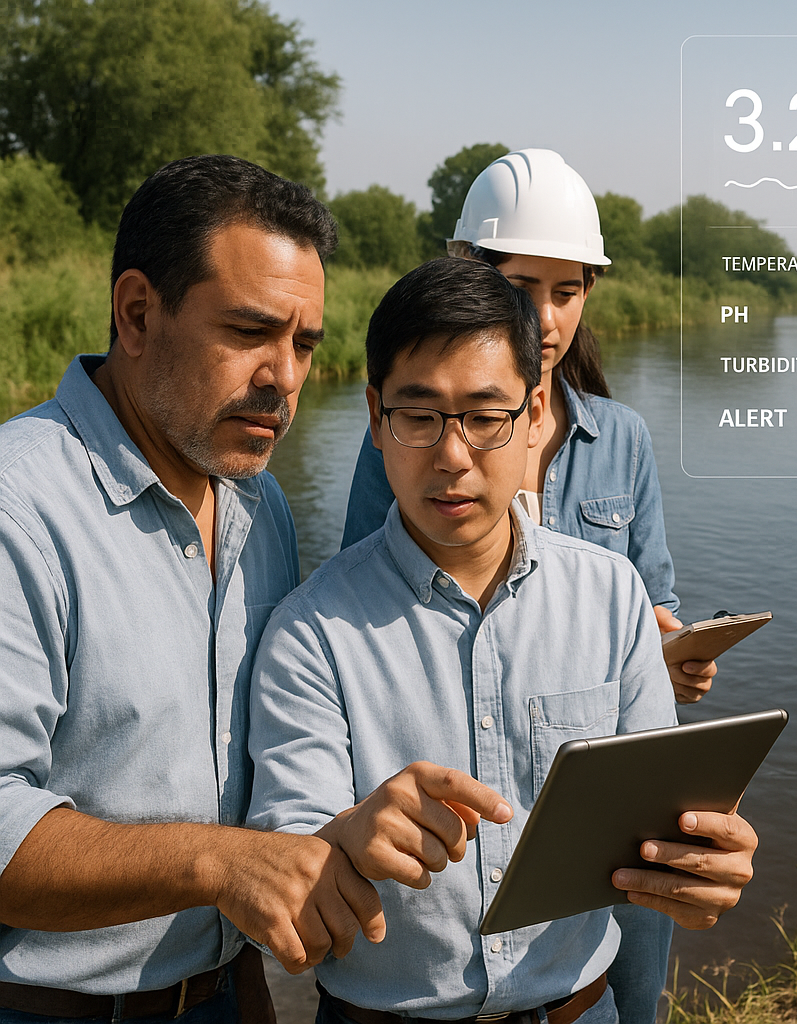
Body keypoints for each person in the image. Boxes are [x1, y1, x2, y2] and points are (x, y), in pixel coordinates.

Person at [0, 156, 503, 1019]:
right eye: (249, 331)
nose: (286, 377)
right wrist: (221, 863)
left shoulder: (257, 503)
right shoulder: (21, 508)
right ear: (137, 314)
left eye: (304, 342)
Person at [247, 258, 759, 1023]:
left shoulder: (613, 595)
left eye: (486, 417)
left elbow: (656, 816)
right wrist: (345, 837)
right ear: (374, 415)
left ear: (535, 412)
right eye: (417, 416)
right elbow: (287, 859)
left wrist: (700, 867)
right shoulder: (309, 632)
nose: (453, 456)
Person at [338, 149, 708, 1022]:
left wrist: (668, 652)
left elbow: (647, 597)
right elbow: (366, 598)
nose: (543, 316)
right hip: (463, 816)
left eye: (567, 290)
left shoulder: (621, 437)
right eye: (520, 284)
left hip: (598, 810)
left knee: (629, 995)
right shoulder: (404, 436)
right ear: (468, 273)